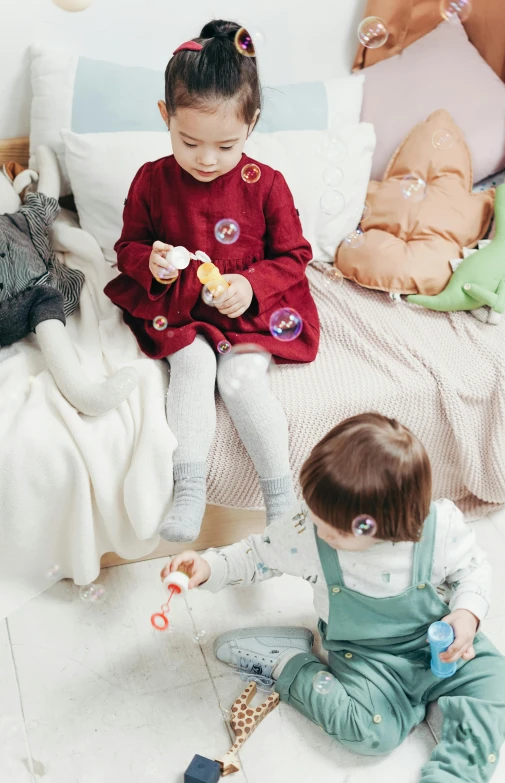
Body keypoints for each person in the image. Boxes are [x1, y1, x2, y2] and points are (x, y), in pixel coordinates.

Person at [161, 413, 505, 781]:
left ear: (388, 522)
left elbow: (473, 570)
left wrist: (466, 614)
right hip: (367, 657)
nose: (318, 526)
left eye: (333, 527)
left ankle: (456, 774)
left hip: (440, 645)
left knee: (499, 683)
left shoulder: (439, 528)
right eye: (315, 513)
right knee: (370, 734)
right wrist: (209, 567)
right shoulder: (311, 530)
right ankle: (289, 665)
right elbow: (258, 554)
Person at [104, 19, 319, 542]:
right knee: (194, 366)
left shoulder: (267, 185)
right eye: (189, 141)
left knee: (241, 381)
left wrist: (250, 285)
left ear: (252, 125)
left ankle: (279, 498)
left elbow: (294, 256)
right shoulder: (152, 180)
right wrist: (149, 261)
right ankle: (190, 490)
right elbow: (129, 245)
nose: (206, 159)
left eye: (226, 146)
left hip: (246, 305)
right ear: (165, 117)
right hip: (179, 305)